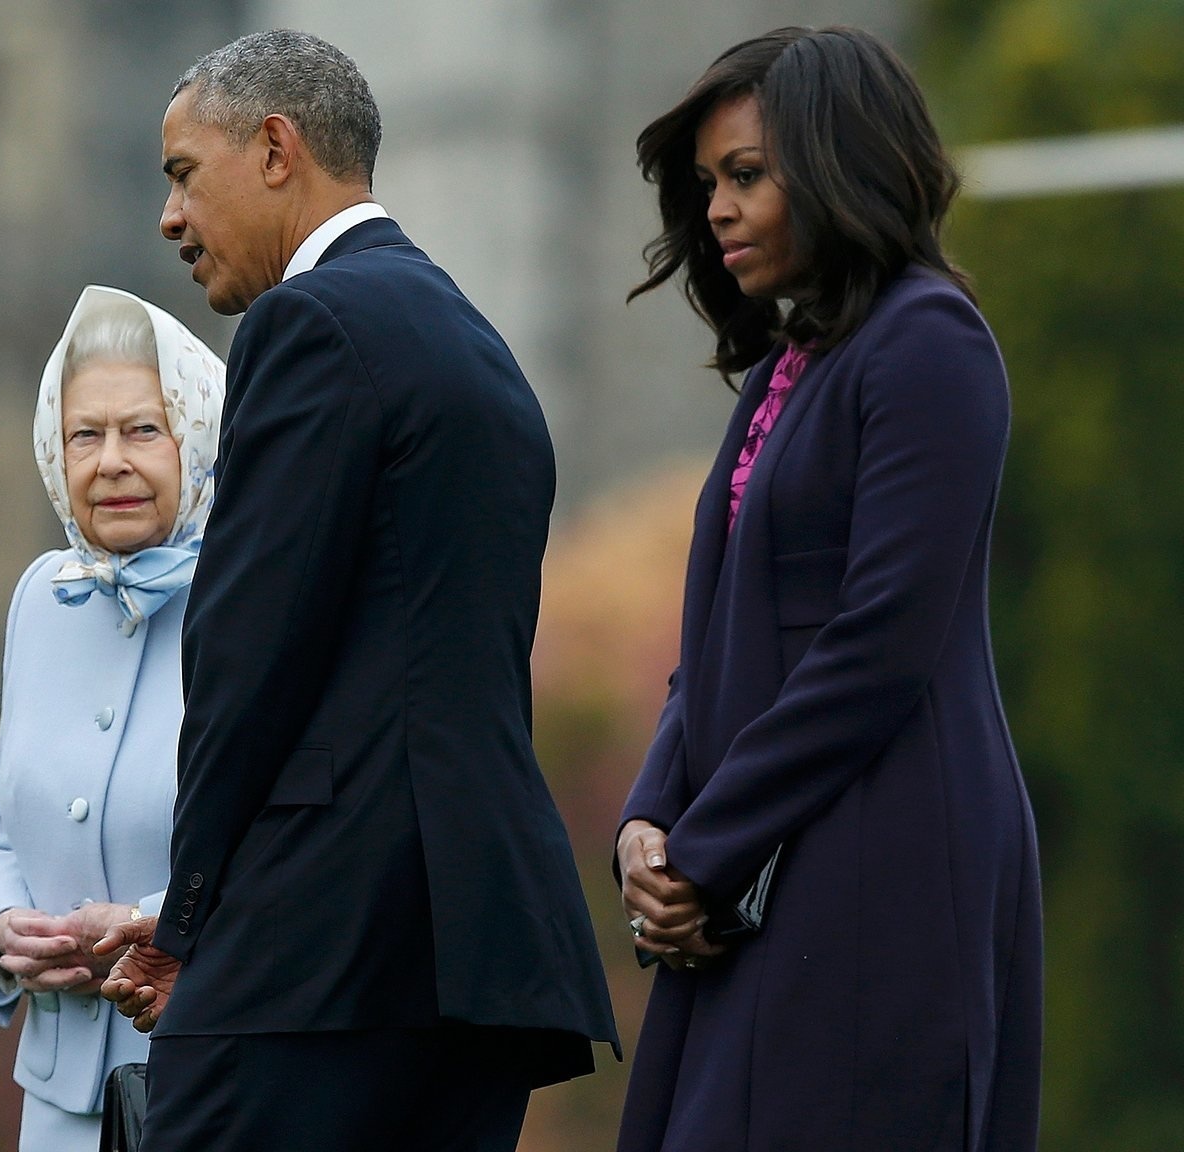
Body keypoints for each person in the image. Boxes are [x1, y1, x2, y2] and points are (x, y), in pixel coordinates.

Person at [91, 30, 619, 1151]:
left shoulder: (311, 323)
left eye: (184, 174)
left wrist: (185, 921)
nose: (169, 219)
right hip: (477, 958)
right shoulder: (476, 344)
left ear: (276, 149)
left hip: (316, 961)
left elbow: (246, 654)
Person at [613, 27, 1042, 1152]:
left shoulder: (930, 342)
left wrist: (703, 855)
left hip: (880, 869)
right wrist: (649, 824)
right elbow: (712, 637)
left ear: (842, 161)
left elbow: (879, 644)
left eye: (747, 175)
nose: (716, 208)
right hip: (761, 865)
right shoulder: (787, 370)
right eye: (709, 183)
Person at [0, 285, 225, 1151]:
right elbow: (2, 829)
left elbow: (285, 840)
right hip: (57, 1096)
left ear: (200, 435)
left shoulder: (250, 601)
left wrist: (152, 922)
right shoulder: (42, 598)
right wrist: (3, 929)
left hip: (202, 1080)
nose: (110, 461)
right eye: (85, 434)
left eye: (143, 430)